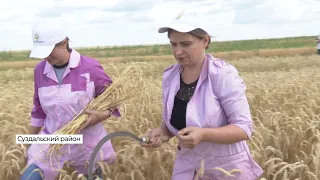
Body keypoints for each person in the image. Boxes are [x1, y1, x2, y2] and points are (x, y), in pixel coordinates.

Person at [141, 10, 264, 180]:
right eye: (174, 44)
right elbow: (178, 119)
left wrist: (204, 134)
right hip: (186, 167)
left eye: (185, 44)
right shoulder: (170, 75)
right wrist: (162, 133)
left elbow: (243, 128)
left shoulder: (222, 75)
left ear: (205, 41)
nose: (178, 51)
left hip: (225, 170)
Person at [20, 21, 121, 180]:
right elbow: (38, 110)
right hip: (51, 142)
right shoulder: (40, 70)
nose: (46, 56)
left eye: (49, 50)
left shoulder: (90, 67)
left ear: (64, 43)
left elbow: (114, 98)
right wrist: (27, 145)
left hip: (86, 145)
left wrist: (102, 115)